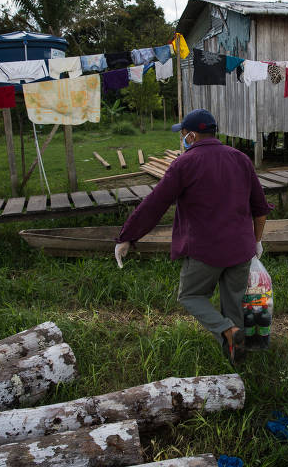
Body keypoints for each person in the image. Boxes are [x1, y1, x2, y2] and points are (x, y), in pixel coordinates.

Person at [114, 108, 271, 365]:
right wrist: (256, 241)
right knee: (234, 304)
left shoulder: (185, 164)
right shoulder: (241, 159)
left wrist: (127, 236)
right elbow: (260, 209)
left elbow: (155, 204)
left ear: (193, 136)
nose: (182, 137)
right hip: (241, 249)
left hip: (205, 250)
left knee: (190, 295)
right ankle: (236, 359)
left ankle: (228, 332)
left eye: (184, 133)